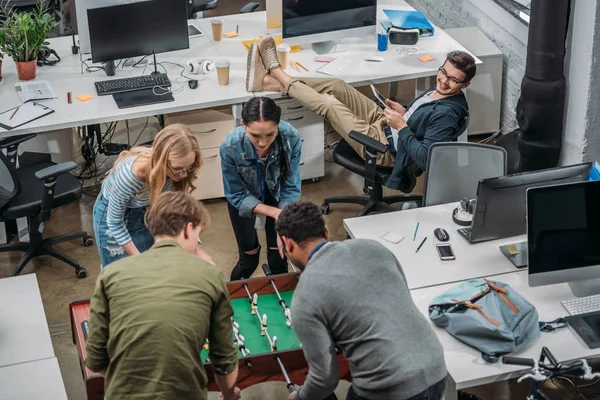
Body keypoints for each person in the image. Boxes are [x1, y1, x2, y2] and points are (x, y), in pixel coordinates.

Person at [246, 36, 476, 189]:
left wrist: (402, 127)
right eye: (443, 72)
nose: (443, 81)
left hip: (388, 148)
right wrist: (405, 112)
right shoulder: (442, 89)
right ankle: (268, 83)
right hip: (388, 125)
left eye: (453, 80)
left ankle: (275, 73)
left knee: (330, 105)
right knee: (337, 85)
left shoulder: (448, 113)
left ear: (464, 85)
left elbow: (428, 158)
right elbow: (423, 117)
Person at [276, 201, 447, 400]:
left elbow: (324, 379)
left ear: (288, 243)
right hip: (437, 368)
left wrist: (298, 397)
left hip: (387, 389)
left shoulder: (304, 296)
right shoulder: (374, 247)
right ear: (326, 231)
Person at [85, 191, 241, 400]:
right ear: (188, 229)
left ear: (152, 228)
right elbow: (224, 360)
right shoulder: (210, 275)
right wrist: (229, 394)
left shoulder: (110, 275)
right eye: (198, 234)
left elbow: (95, 359)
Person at [92, 123, 213, 268]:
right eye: (178, 168)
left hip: (146, 209)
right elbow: (114, 223)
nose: (184, 174)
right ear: (161, 161)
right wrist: (141, 261)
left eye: (188, 167)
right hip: (114, 220)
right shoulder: (130, 176)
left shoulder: (177, 171)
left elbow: (180, 209)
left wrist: (197, 248)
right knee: (122, 273)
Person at [220, 96, 302, 280]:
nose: (263, 143)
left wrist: (282, 221)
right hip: (243, 201)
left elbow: (290, 187)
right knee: (248, 260)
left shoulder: (292, 138)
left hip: (278, 197)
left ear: (278, 125)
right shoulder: (230, 146)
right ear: (243, 125)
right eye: (255, 135)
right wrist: (275, 214)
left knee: (279, 258)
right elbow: (236, 194)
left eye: (270, 134)